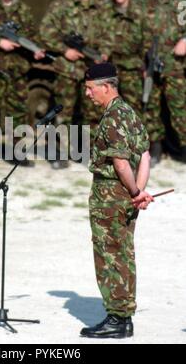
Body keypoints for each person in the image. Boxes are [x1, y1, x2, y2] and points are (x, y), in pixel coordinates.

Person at [81, 62, 154, 339]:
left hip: (110, 195)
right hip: (125, 194)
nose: (88, 94)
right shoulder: (130, 113)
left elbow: (121, 162)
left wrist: (136, 193)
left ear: (106, 87)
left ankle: (117, 318)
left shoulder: (112, 117)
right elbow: (145, 156)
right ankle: (123, 317)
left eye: (90, 89)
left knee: (110, 255)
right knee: (123, 253)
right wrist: (138, 193)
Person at [40, 0, 103, 166]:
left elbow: (109, 34)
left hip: (90, 70)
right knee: (63, 113)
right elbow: (45, 31)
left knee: (90, 114)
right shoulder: (62, 5)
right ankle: (57, 152)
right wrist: (64, 50)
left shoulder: (99, 8)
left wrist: (103, 53)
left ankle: (83, 151)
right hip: (67, 68)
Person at [0, 0, 44, 166]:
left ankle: (16, 151)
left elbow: (34, 36)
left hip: (18, 68)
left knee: (18, 111)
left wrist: (34, 48)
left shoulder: (24, 10)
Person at [136, 0, 186, 165]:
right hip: (149, 63)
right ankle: (154, 146)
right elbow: (133, 34)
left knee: (179, 106)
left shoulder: (181, 2)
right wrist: (140, 63)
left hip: (174, 64)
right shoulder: (140, 2)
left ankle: (182, 147)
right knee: (150, 107)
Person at [99, 0, 144, 117]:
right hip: (111, 68)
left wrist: (145, 66)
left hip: (132, 70)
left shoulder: (139, 12)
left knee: (133, 110)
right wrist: (103, 51)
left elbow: (147, 42)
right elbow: (101, 36)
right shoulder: (106, 11)